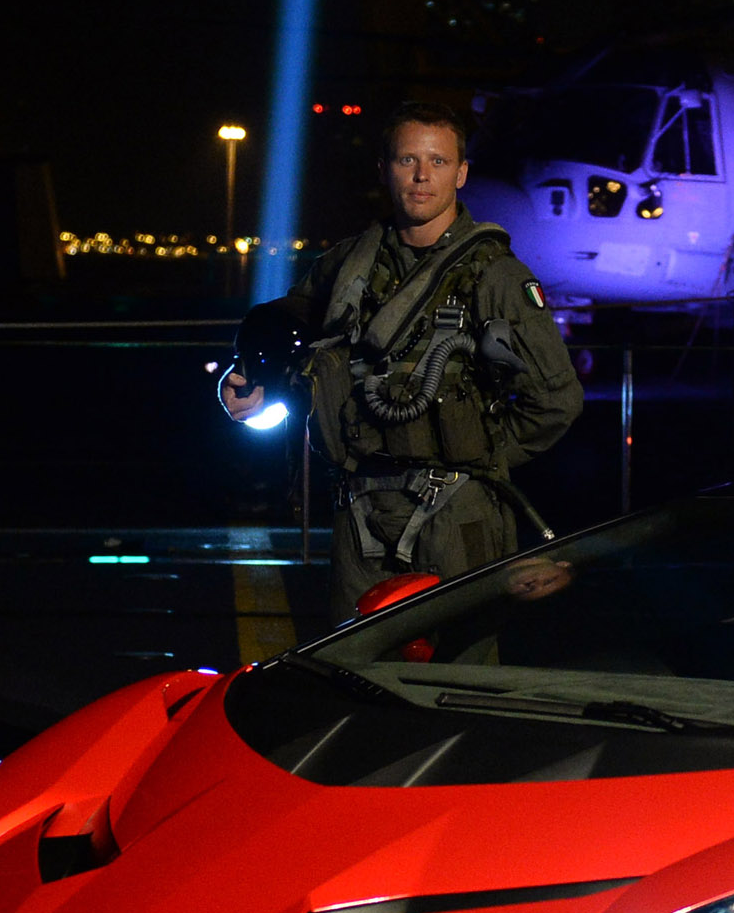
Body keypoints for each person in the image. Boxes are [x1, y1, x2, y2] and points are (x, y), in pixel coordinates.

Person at [221, 101, 583, 617]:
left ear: (460, 173)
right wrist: (250, 378)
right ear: (384, 169)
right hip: (360, 507)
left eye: (437, 162)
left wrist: (482, 454)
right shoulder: (349, 264)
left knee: (462, 671)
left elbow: (557, 401)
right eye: (407, 160)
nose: (420, 176)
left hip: (458, 513)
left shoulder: (495, 276)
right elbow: (284, 326)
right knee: (356, 671)